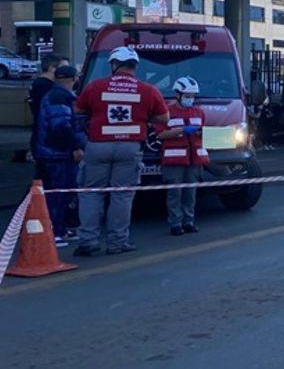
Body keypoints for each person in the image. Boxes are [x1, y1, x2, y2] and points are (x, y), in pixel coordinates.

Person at [74, 47, 169, 256]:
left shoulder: (95, 86)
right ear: (134, 66)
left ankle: (88, 241)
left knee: (91, 193)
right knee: (122, 195)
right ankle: (117, 242)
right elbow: (164, 118)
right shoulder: (148, 90)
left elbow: (78, 111)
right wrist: (144, 118)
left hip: (97, 146)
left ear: (114, 64)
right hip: (130, 147)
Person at [33, 65, 85, 247]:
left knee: (62, 194)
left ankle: (60, 230)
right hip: (57, 156)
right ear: (74, 79)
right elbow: (61, 127)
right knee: (57, 195)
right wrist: (76, 147)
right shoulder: (59, 97)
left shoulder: (55, 95)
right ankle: (55, 232)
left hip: (55, 154)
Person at [156, 77, 207, 236]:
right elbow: (160, 135)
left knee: (190, 193)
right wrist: (181, 130)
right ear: (177, 95)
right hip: (174, 160)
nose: (190, 98)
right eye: (187, 95)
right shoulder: (166, 112)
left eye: (192, 96)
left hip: (193, 159)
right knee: (174, 193)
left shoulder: (199, 112)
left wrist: (201, 133)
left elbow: (204, 133)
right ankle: (175, 223)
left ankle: (189, 221)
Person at [28, 55, 70, 169]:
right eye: (63, 69)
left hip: (42, 137)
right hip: (48, 140)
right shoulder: (46, 87)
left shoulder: (39, 84)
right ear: (52, 68)